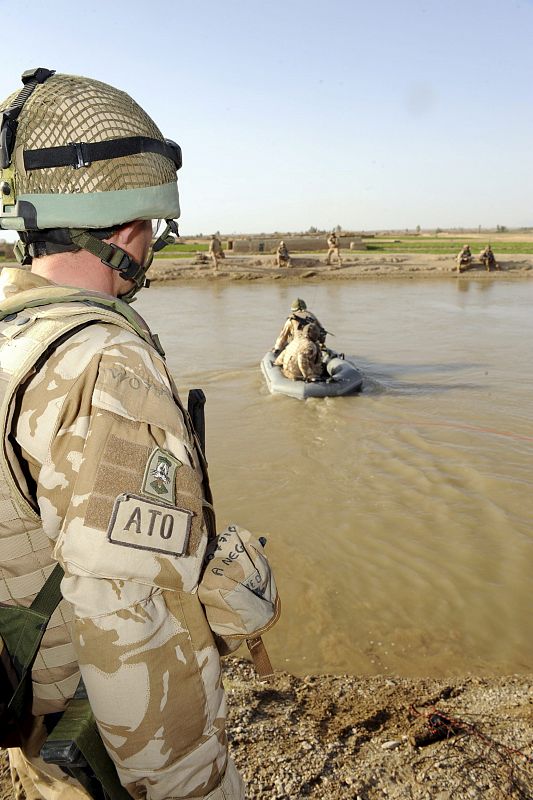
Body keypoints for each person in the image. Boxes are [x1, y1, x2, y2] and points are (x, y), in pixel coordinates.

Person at [0, 68, 260, 800]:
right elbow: (131, 616)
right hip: (80, 714)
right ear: (132, 226)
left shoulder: (10, 325)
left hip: (23, 701)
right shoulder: (103, 361)